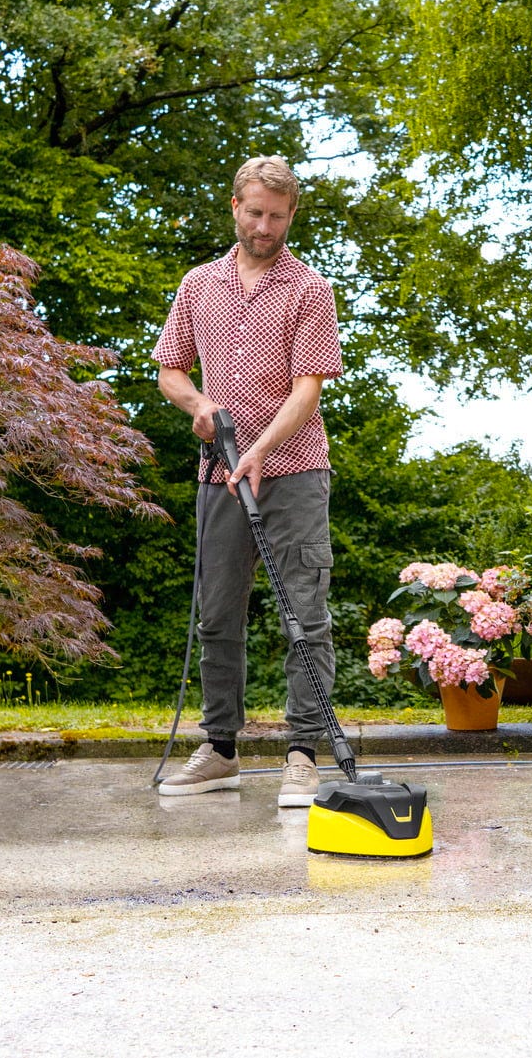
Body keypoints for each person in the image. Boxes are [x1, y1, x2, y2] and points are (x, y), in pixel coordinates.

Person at [153, 156, 342, 807]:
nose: (265, 227)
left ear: (292, 216)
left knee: (304, 613)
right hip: (220, 474)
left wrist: (261, 447)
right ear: (235, 206)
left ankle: (302, 755)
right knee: (218, 614)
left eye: (278, 217)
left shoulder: (309, 289)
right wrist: (197, 404)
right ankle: (220, 750)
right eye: (256, 213)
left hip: (295, 472)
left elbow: (308, 390)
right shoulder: (198, 284)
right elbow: (171, 370)